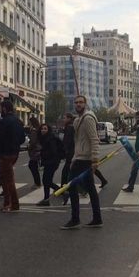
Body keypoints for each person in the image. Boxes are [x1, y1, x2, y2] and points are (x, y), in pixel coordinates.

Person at [61, 95, 103, 229]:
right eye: (76, 102)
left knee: (72, 187)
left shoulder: (88, 119)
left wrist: (95, 160)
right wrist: (74, 158)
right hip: (79, 158)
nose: (78, 104)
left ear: (85, 104)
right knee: (90, 189)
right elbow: (78, 142)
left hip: (85, 159)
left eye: (80, 102)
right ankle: (97, 218)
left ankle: (75, 219)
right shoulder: (78, 120)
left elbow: (94, 139)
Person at [0, 100, 25, 212]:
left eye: (0, 108)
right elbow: (22, 139)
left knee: (8, 179)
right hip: (15, 152)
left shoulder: (4, 121)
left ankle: (13, 204)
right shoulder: (18, 121)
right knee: (4, 177)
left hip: (5, 153)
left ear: (4, 109)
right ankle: (7, 203)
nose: (0, 110)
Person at [36, 123, 64, 206]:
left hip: (52, 162)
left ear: (48, 130)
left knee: (46, 181)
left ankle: (47, 199)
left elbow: (53, 151)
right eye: (42, 129)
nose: (43, 130)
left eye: (45, 129)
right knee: (47, 181)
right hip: (50, 162)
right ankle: (59, 193)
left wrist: (42, 153)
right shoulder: (44, 138)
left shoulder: (50, 139)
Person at [27, 116, 42, 188]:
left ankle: (37, 183)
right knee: (34, 166)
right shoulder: (37, 129)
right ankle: (37, 182)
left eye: (29, 122)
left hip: (35, 151)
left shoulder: (34, 131)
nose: (28, 123)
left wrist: (29, 147)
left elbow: (33, 141)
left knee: (32, 165)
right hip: (37, 150)